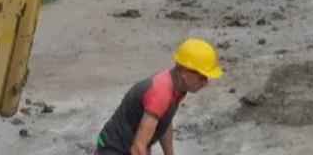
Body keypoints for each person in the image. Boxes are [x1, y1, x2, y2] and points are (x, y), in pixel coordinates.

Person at [95, 38, 223, 155]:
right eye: (202, 77)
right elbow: (138, 148)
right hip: (113, 149)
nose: (205, 83)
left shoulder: (177, 88)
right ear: (185, 72)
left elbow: (165, 121)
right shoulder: (161, 92)